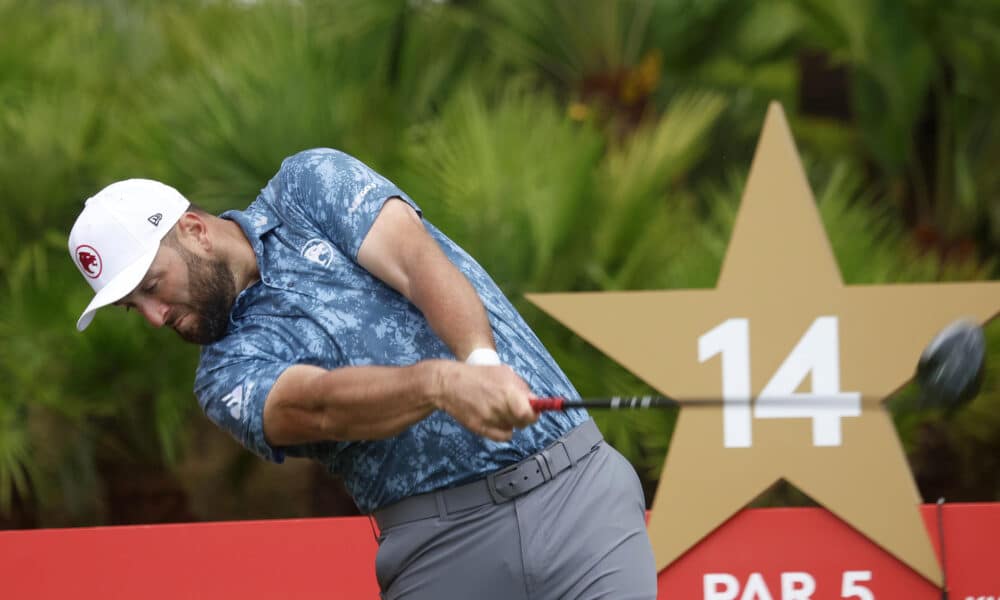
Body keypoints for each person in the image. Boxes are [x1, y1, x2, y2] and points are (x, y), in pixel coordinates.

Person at [68, 148, 657, 599]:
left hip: (578, 496)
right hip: (442, 550)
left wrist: (478, 361)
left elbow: (414, 261)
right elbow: (317, 405)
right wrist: (441, 384)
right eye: (133, 308)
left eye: (151, 287)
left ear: (194, 230)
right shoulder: (222, 373)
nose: (153, 317)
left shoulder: (307, 187)